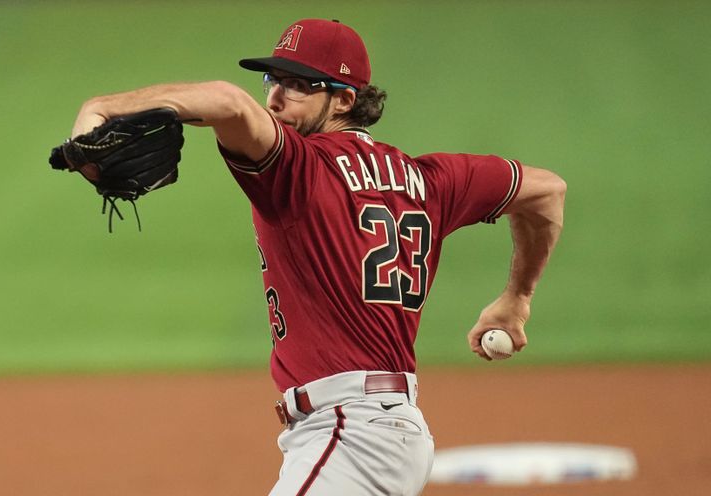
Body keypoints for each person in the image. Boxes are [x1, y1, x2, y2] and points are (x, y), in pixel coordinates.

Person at [69, 18, 566, 496]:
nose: (275, 97)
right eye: (272, 79)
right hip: (375, 432)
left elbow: (227, 102)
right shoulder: (431, 181)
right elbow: (546, 191)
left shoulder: (301, 168)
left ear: (345, 98)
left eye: (298, 85)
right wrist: (516, 299)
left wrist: (102, 106)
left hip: (353, 436)